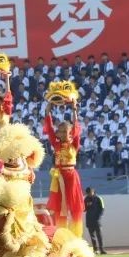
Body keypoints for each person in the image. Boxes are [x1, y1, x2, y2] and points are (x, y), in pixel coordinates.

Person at [43, 84, 84, 237]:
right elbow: (49, 127)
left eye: (64, 131)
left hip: (71, 176)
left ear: (70, 133)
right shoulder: (56, 144)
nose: (61, 133)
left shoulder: (74, 143)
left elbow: (76, 127)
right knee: (61, 207)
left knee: (74, 206)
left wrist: (74, 109)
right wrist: (48, 107)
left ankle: (76, 235)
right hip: (59, 176)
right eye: (59, 131)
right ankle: (61, 235)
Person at [84, 187, 106, 255]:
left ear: (93, 192)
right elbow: (84, 209)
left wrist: (98, 217)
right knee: (92, 236)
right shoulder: (86, 199)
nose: (89, 194)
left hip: (97, 220)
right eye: (88, 193)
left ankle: (102, 249)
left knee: (99, 235)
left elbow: (102, 208)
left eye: (90, 192)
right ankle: (95, 250)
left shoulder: (98, 198)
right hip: (89, 220)